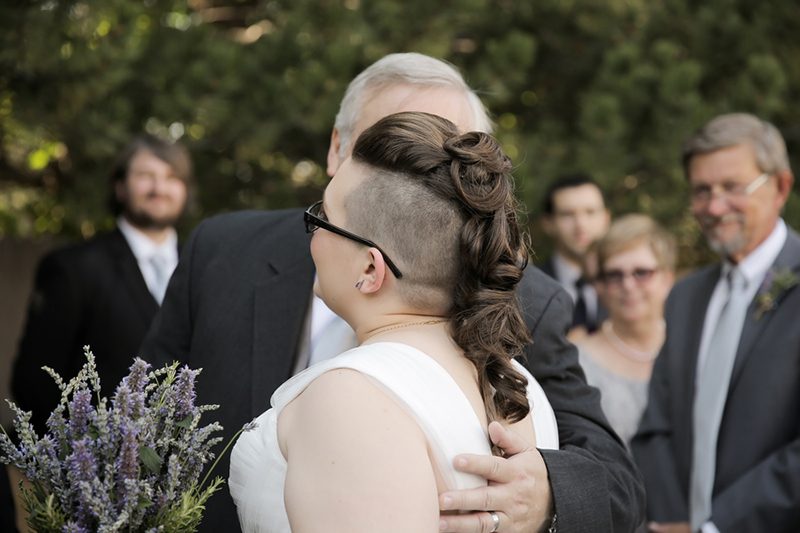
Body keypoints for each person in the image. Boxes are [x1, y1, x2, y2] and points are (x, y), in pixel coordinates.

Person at [141, 53, 644, 532]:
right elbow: (140, 424)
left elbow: (617, 480)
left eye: (443, 157)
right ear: (337, 149)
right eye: (390, 146)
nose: (420, 173)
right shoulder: (223, 251)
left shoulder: (528, 300)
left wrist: (545, 497)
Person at [229, 110, 559, 531]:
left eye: (324, 218)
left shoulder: (350, 399)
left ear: (370, 269)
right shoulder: (516, 382)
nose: (313, 234)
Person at [631, 112, 800, 532]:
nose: (714, 206)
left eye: (732, 188)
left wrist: (718, 526)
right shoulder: (688, 296)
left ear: (780, 186)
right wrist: (673, 520)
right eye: (702, 191)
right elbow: (657, 425)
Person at [12, 134, 191, 432]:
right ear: (120, 186)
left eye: (171, 177)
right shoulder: (72, 268)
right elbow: (35, 382)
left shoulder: (203, 267)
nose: (160, 188)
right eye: (146, 176)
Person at [575, 214, 676, 445]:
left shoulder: (693, 348)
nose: (628, 285)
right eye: (614, 275)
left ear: (667, 278)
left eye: (641, 273)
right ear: (599, 286)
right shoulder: (579, 363)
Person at [539, 173, 611, 335]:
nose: (581, 225)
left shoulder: (626, 283)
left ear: (606, 218)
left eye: (590, 212)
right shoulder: (528, 289)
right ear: (548, 223)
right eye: (567, 214)